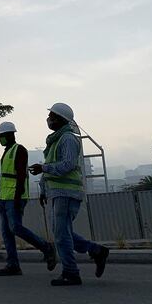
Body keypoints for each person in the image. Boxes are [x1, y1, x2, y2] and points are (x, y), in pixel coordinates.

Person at [30, 103, 109, 286]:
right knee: (63, 233)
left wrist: (43, 168)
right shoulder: (55, 140)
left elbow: (67, 165)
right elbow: (50, 167)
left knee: (61, 234)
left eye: (51, 116)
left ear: (61, 119)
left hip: (67, 192)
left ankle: (71, 272)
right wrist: (43, 188)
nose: (48, 119)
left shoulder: (67, 139)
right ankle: (96, 251)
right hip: (57, 192)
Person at [0, 121, 57, 276]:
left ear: (10, 134)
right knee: (7, 232)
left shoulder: (19, 150)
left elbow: (21, 175)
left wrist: (17, 199)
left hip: (15, 198)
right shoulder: (7, 151)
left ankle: (46, 247)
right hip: (4, 198)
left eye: (2, 135)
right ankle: (13, 265)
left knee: (16, 228)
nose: (0, 138)